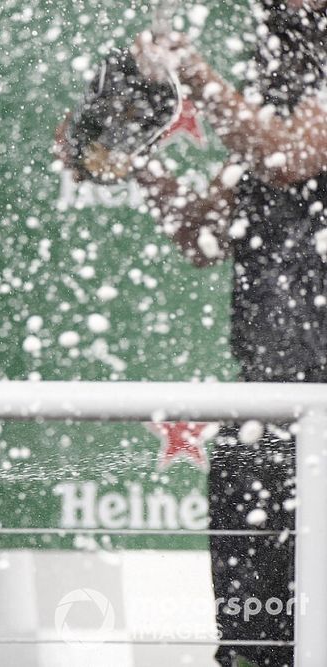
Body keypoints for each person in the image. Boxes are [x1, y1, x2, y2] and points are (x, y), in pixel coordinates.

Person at [130, 2, 327, 665]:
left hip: (323, 409)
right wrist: (132, 152)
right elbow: (200, 234)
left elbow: (289, 157)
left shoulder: (293, 120)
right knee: (252, 646)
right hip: (265, 415)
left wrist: (189, 66)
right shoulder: (263, 115)